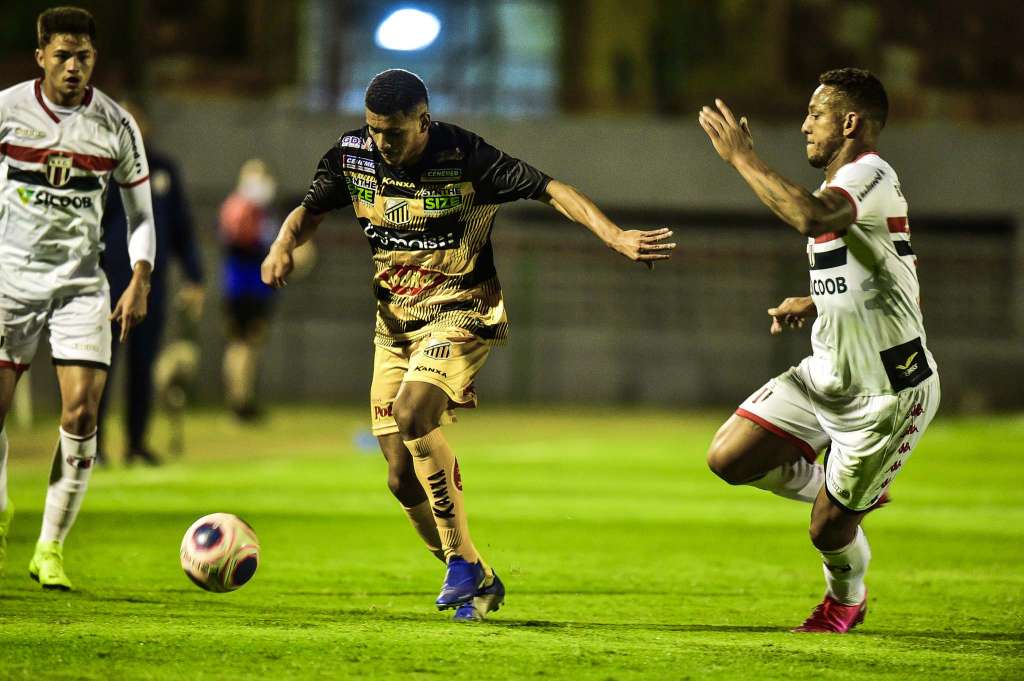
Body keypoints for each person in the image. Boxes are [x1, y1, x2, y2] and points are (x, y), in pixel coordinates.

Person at [261, 69, 675, 622]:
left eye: (396, 132)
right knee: (399, 476)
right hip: (394, 326)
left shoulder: (466, 156)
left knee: (414, 414)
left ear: (424, 122)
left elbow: (551, 189)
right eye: (376, 130)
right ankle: (473, 570)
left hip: (462, 310)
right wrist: (282, 245)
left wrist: (615, 235)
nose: (385, 143)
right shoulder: (351, 157)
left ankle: (459, 566)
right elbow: (307, 212)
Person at [698, 68, 940, 632]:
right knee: (727, 458)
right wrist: (814, 301)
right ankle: (840, 491)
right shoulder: (851, 188)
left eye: (816, 114)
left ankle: (845, 599)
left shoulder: (870, 174)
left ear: (850, 122)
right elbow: (892, 264)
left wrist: (742, 158)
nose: (805, 125)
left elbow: (810, 216)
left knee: (827, 531)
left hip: (887, 393)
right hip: (826, 373)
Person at [0, 7, 155, 589]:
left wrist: (140, 275)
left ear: (95, 58)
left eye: (83, 57)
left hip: (79, 286)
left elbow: (141, 214)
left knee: (83, 411)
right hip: (8, 280)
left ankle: (50, 547)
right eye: (62, 56)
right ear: (40, 55)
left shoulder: (116, 125)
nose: (73, 67)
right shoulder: (7, 110)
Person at [97, 100, 204, 466]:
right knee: (100, 368)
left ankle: (136, 443)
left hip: (149, 289)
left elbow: (181, 230)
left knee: (143, 366)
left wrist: (194, 277)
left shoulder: (163, 171)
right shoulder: (101, 172)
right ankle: (92, 448)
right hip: (105, 286)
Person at [219, 159, 281, 421]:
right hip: (244, 287)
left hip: (255, 287)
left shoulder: (262, 212)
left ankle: (243, 398)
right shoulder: (239, 208)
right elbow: (239, 242)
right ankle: (239, 401)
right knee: (242, 344)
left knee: (248, 346)